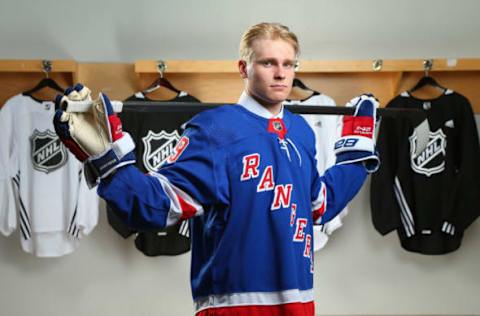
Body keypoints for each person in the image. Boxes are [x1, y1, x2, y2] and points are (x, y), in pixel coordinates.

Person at [53, 22, 379, 316]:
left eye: (288, 64)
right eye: (268, 63)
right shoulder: (215, 130)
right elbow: (156, 205)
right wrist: (108, 162)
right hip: (234, 308)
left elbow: (319, 204)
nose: (280, 73)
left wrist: (357, 152)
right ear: (244, 67)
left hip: (300, 305)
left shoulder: (300, 132)